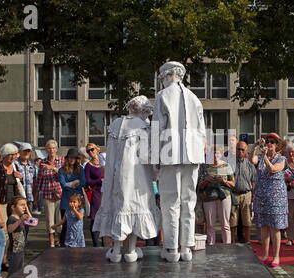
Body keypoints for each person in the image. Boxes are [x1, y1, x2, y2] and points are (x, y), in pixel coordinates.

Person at [93, 95, 161, 262]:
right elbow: (148, 156)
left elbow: (110, 156)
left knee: (120, 207)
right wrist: (156, 173)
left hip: (116, 176)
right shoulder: (145, 126)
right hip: (138, 177)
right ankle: (130, 250)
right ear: (144, 111)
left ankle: (116, 250)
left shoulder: (116, 124)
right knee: (135, 208)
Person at [151, 61, 206, 262]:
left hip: (169, 155)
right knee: (188, 202)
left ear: (166, 76)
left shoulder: (162, 96)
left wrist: (154, 159)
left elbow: (157, 129)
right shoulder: (194, 98)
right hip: (192, 156)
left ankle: (172, 247)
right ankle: (186, 247)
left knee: (169, 202)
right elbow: (201, 132)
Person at [252, 133, 288, 268]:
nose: (269, 144)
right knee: (263, 227)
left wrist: (265, 157)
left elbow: (273, 169)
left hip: (276, 198)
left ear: (277, 145)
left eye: (272, 142)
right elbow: (252, 160)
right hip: (262, 196)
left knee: (275, 228)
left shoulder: (282, 159)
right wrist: (255, 146)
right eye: (268, 141)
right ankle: (265, 254)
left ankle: (276, 256)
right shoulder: (261, 156)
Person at [0, 143, 27, 271]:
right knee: (4, 232)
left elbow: (17, 185)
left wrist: (20, 178)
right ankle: (1, 261)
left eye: (15, 155)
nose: (13, 157)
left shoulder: (15, 166)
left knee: (14, 232)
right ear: (5, 155)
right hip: (1, 202)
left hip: (13, 204)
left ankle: (6, 259)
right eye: (11, 155)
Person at [198, 145, 235, 245]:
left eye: (217, 153)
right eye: (213, 153)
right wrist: (206, 180)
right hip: (209, 197)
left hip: (224, 196)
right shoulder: (204, 167)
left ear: (221, 154)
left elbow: (233, 183)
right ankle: (211, 246)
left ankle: (227, 246)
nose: (215, 155)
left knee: (225, 224)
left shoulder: (226, 165)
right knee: (210, 224)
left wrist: (224, 181)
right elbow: (199, 186)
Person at [58, 148, 85, 247]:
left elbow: (83, 182)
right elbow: (63, 184)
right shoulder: (61, 170)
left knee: (77, 225)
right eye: (70, 157)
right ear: (67, 158)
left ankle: (76, 244)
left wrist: (70, 184)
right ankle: (63, 246)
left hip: (77, 201)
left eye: (74, 157)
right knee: (65, 225)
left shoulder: (80, 169)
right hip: (66, 201)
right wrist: (74, 182)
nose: (72, 159)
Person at [230, 141, 255, 244]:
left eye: (242, 149)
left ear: (246, 151)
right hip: (233, 194)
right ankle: (232, 241)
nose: (240, 151)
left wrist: (252, 194)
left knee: (247, 221)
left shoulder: (250, 164)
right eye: (238, 149)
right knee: (232, 220)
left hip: (246, 194)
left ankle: (247, 241)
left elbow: (254, 180)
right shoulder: (229, 163)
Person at [84, 143, 104, 247]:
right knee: (95, 217)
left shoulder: (104, 161)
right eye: (88, 151)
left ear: (97, 149)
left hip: (107, 192)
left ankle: (106, 243)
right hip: (97, 192)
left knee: (107, 216)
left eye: (92, 149)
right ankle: (96, 243)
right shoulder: (88, 165)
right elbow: (87, 181)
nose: (90, 152)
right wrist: (99, 180)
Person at [7, 196, 29, 276]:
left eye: (25, 205)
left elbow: (32, 221)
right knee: (13, 272)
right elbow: (10, 229)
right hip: (14, 250)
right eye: (22, 205)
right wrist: (20, 220)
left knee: (19, 271)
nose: (24, 207)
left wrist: (27, 210)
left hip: (20, 249)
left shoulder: (20, 217)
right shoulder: (12, 218)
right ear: (13, 207)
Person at [15, 143, 35, 217]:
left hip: (29, 197)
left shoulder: (32, 165)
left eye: (28, 151)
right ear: (20, 152)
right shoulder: (15, 164)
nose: (26, 153)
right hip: (19, 197)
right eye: (24, 151)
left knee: (28, 220)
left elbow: (34, 181)